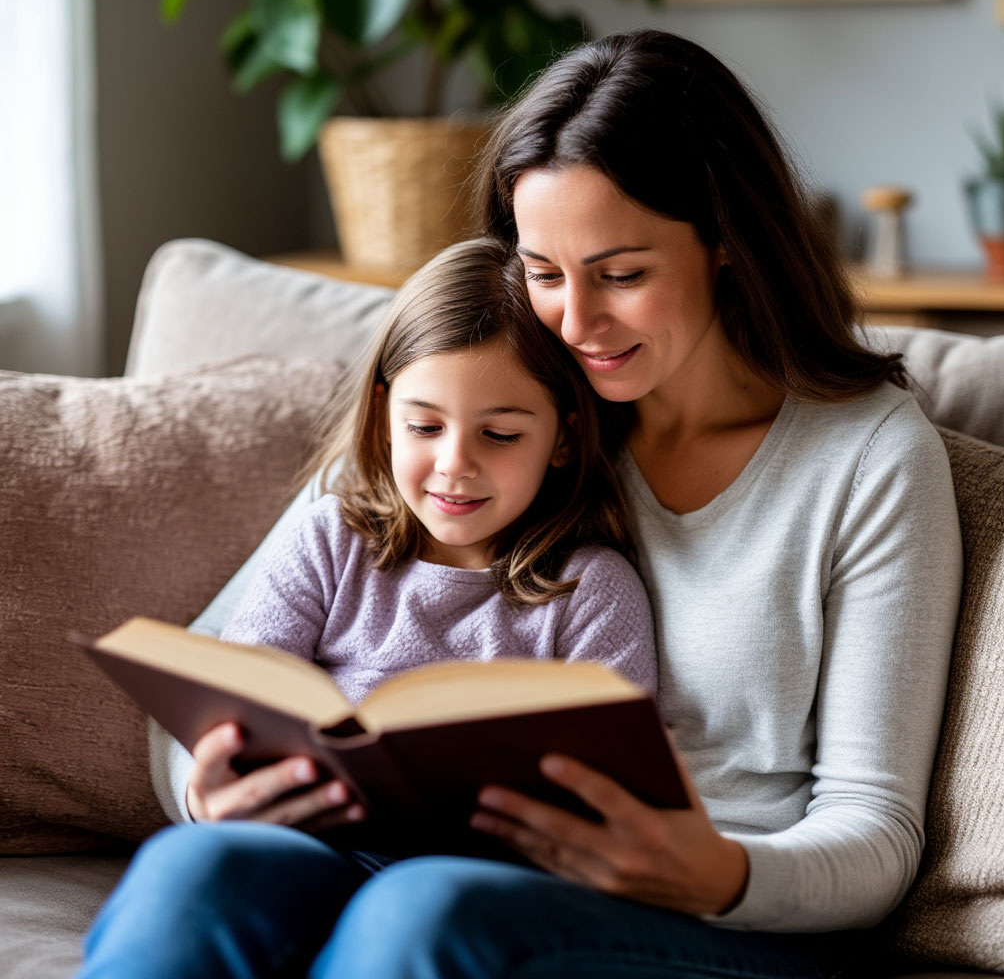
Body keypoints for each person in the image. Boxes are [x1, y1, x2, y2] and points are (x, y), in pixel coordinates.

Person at [85, 29, 962, 979]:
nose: (575, 325)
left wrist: (715, 872)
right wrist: (206, 789)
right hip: (400, 857)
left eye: (621, 275)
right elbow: (217, 673)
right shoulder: (480, 412)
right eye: (543, 272)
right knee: (200, 872)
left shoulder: (868, 460)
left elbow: (877, 835)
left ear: (725, 243)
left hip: (716, 918)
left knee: (427, 913)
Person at [78, 237, 657, 977]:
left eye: (501, 434)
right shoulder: (333, 537)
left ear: (565, 438)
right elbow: (249, 694)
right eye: (424, 426)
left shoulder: (590, 589)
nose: (455, 463)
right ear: (385, 413)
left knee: (409, 914)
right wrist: (214, 780)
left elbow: (618, 785)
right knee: (192, 868)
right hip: (310, 846)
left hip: (481, 887)